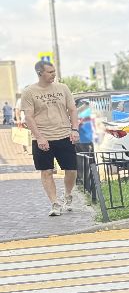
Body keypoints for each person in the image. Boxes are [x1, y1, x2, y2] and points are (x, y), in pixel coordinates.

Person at [18, 60, 80, 217]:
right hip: (42, 138)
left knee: (71, 170)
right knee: (46, 171)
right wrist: (39, 137)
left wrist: (74, 129)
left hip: (64, 135)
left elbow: (72, 110)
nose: (54, 74)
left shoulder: (63, 88)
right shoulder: (29, 92)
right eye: (50, 72)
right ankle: (55, 203)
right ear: (40, 73)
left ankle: (67, 195)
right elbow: (29, 117)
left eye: (54, 71)